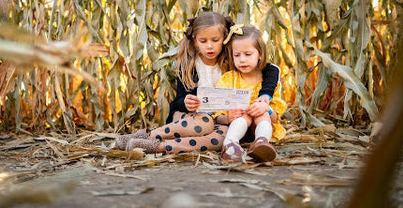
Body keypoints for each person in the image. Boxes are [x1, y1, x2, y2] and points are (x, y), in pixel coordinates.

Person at [115, 12, 280, 154]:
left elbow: (270, 69)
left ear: (225, 39)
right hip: (188, 118)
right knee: (205, 122)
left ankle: (156, 147)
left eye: (215, 40)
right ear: (194, 41)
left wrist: (265, 96)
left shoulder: (233, 61)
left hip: (221, 120)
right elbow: (176, 104)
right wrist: (185, 102)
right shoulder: (189, 66)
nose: (210, 46)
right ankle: (145, 136)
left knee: (220, 139)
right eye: (203, 41)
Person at [215, 25, 287, 163]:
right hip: (237, 128)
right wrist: (228, 117)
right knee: (244, 113)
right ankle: (230, 145)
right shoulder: (228, 79)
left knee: (262, 112)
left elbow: (274, 117)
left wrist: (267, 108)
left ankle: (261, 143)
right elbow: (218, 116)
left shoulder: (269, 81)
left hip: (258, 128)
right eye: (237, 55)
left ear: (260, 54)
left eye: (248, 54)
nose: (242, 59)